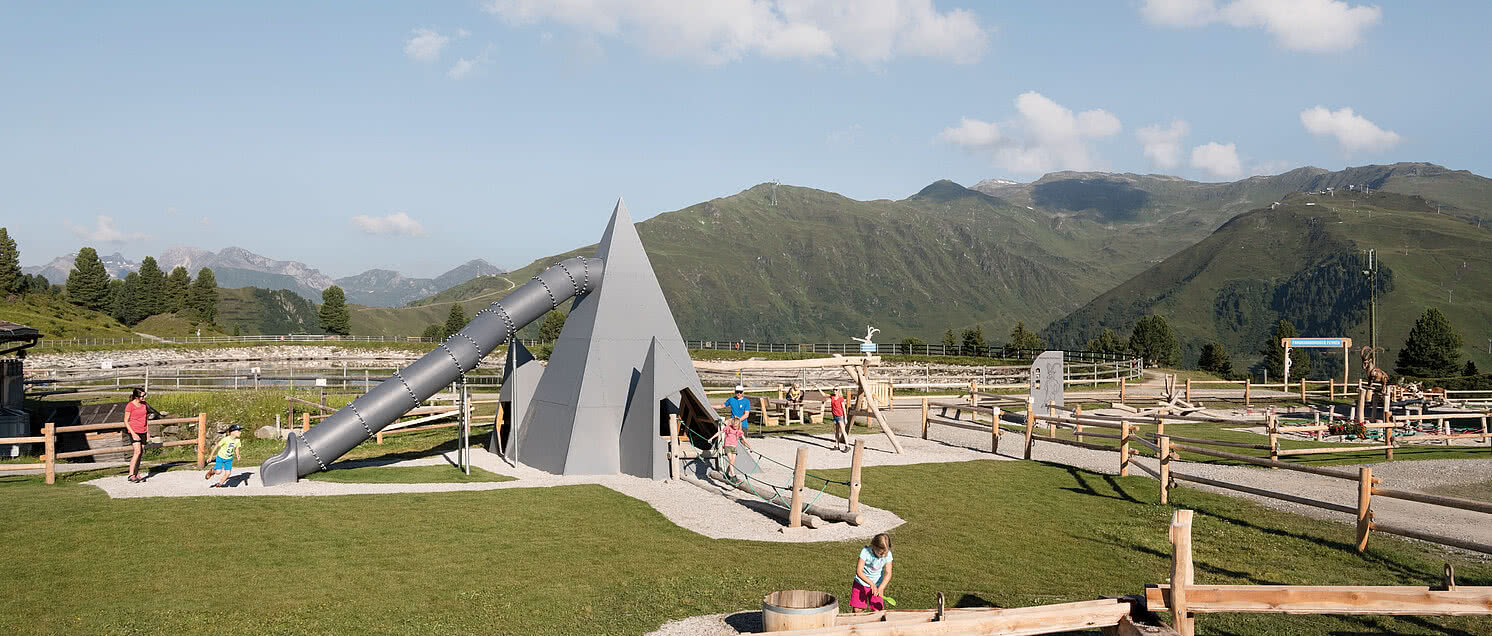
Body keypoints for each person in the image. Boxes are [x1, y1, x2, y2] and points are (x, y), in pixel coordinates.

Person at [850, 533, 894, 612]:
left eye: (885, 553)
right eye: (881, 553)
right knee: (857, 610)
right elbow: (859, 571)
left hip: (877, 585)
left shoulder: (888, 555)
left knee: (878, 610)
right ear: (874, 546)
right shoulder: (865, 552)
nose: (883, 555)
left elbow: (888, 573)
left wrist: (881, 588)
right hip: (861, 584)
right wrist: (871, 584)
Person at [124, 387, 149, 483]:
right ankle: (131, 474)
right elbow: (126, 421)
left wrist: (147, 431)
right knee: (137, 452)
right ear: (136, 396)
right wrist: (133, 433)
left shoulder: (144, 404)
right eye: (142, 396)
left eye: (144, 395)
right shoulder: (130, 405)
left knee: (141, 453)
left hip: (143, 431)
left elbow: (146, 419)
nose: (144, 398)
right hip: (134, 431)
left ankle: (136, 473)